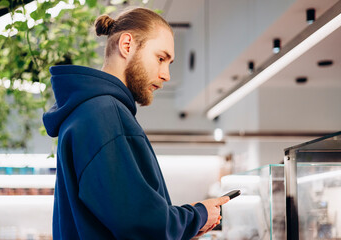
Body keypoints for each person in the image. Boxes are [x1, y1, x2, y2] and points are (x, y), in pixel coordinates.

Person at [43, 7, 229, 240]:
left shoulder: (88, 112)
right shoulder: (106, 114)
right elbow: (140, 225)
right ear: (127, 45)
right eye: (161, 58)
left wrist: (181, 224)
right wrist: (199, 215)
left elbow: (119, 217)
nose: (166, 75)